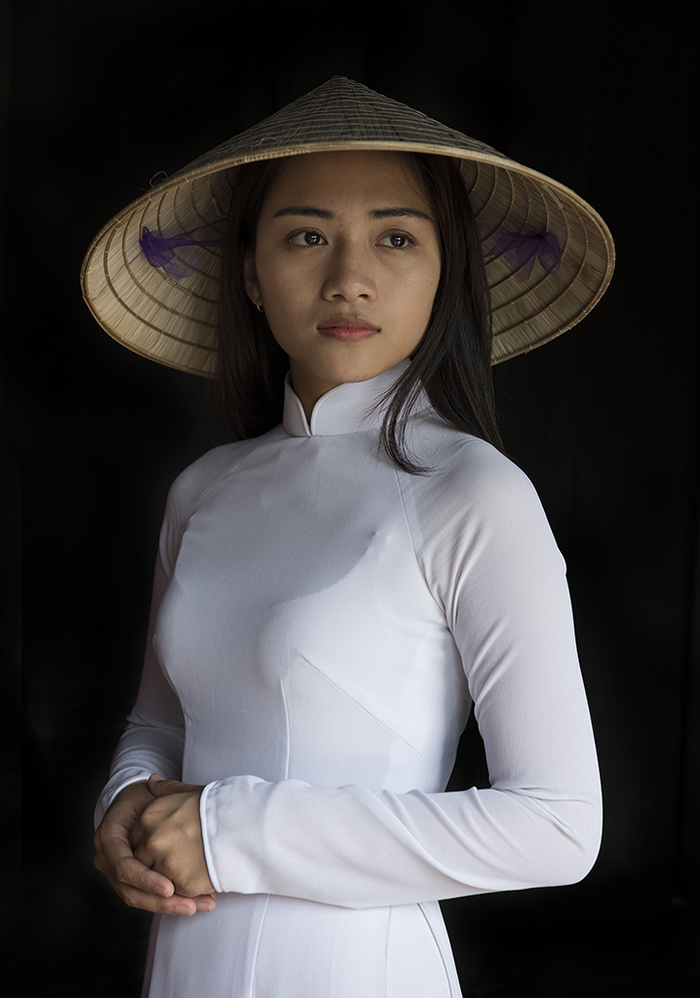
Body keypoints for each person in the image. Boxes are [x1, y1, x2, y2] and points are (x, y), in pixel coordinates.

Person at [84, 77, 614, 998]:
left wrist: (230, 832)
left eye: (396, 237)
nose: (349, 277)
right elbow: (161, 722)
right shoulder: (202, 491)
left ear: (446, 268)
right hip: (184, 963)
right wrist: (124, 802)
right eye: (306, 235)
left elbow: (559, 826)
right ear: (250, 271)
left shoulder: (474, 493)